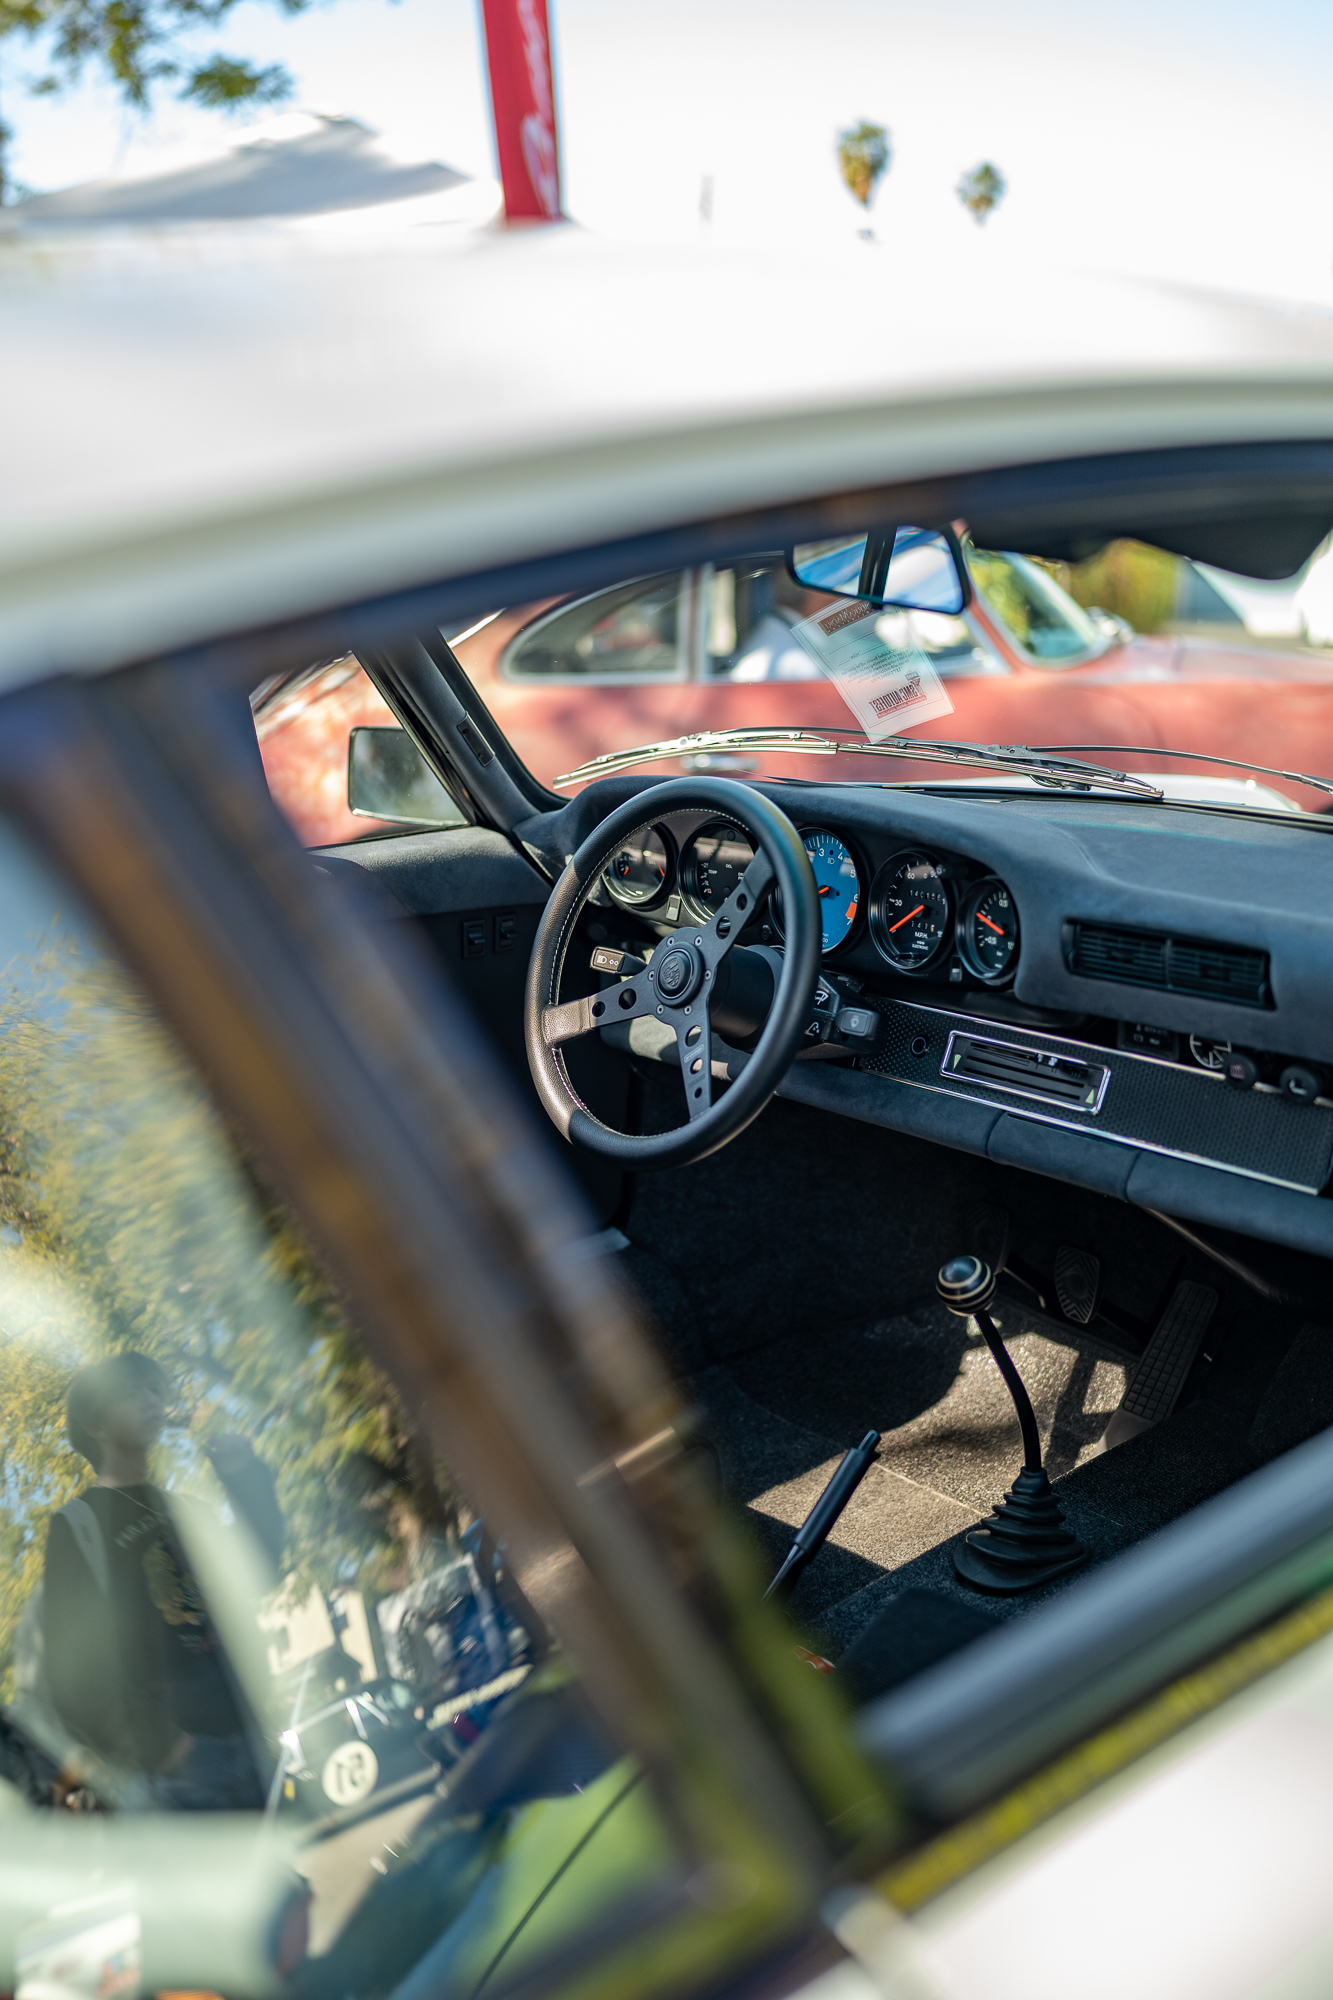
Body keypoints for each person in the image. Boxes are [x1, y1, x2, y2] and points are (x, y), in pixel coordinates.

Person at [42, 1351, 284, 1810]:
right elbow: (72, 1673)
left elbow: (260, 1573)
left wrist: (244, 1480)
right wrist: (158, 1747)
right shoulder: (80, 1525)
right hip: (178, 1767)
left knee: (283, 1882)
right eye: (131, 1394)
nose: (151, 1401)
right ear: (96, 1424)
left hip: (247, 1734)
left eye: (155, 1390)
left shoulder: (189, 1510)